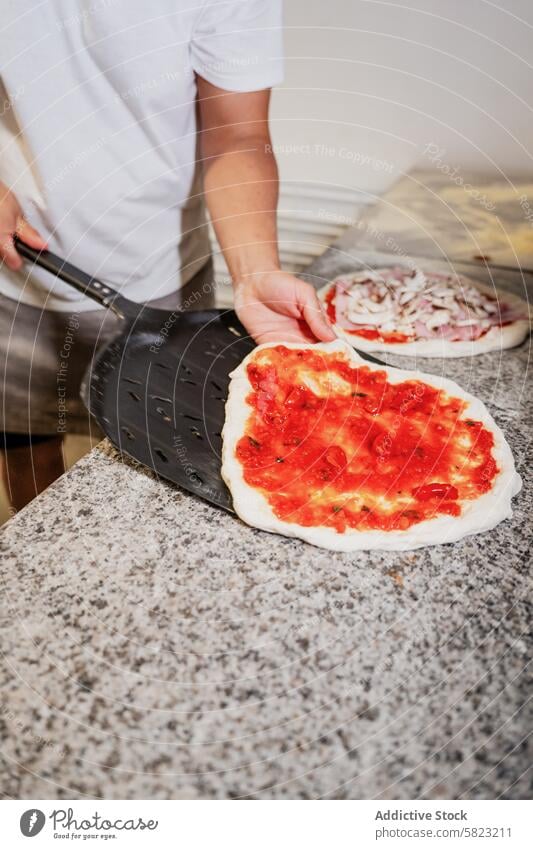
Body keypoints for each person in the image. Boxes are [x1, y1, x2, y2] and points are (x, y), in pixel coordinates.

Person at [0, 0, 334, 511]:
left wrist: (255, 269)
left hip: (168, 272)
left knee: (163, 472)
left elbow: (237, 135)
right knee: (23, 444)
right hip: (11, 280)